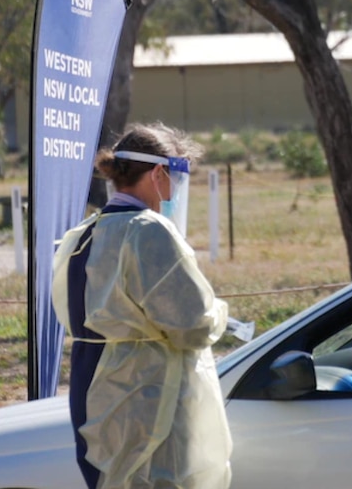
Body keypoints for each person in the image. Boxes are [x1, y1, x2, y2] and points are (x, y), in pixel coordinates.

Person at [52, 122, 232, 489]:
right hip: (147, 393)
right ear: (159, 173)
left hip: (92, 389)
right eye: (178, 174)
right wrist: (220, 314)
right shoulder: (148, 232)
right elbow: (192, 325)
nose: (178, 187)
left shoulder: (82, 234)